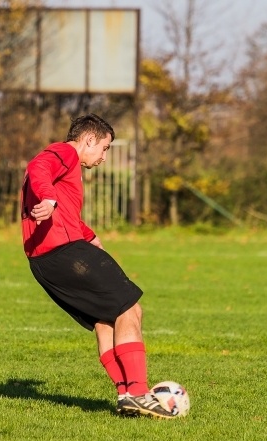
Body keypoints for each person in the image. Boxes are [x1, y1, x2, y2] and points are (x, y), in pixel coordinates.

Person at [20, 113, 175, 419]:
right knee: (129, 309)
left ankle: (126, 395)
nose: (104, 157)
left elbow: (67, 216)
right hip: (65, 253)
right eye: (104, 148)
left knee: (106, 320)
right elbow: (38, 166)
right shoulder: (65, 152)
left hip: (43, 262)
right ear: (89, 140)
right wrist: (49, 199)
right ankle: (140, 393)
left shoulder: (68, 168)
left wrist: (89, 236)